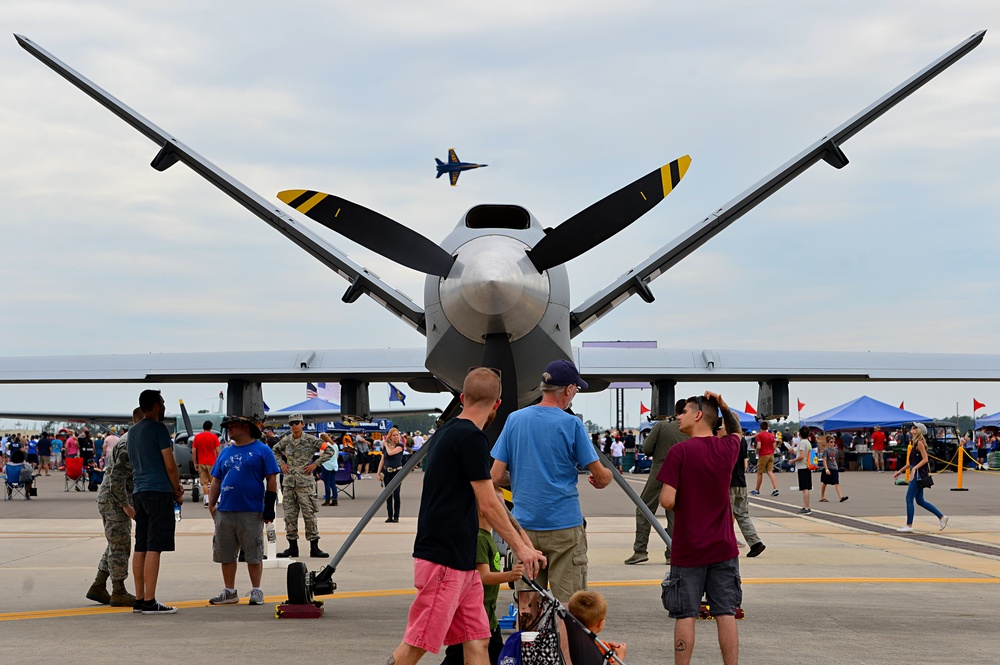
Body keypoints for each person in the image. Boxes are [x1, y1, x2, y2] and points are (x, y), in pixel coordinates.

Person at [388, 367, 545, 665]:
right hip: (445, 560)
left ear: (462, 397)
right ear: (498, 403)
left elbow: (494, 502)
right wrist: (521, 548)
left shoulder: (447, 432)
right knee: (416, 644)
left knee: (477, 640)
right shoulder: (470, 438)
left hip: (463, 562)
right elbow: (487, 503)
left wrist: (523, 541)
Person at [491, 359, 612, 602]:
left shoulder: (514, 420)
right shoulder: (572, 424)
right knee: (571, 605)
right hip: (564, 526)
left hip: (525, 528)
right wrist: (603, 479)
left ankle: (530, 641)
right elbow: (600, 474)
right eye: (576, 389)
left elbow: (495, 476)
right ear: (568, 390)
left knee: (528, 605)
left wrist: (521, 479)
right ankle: (568, 642)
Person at [659, 392, 741, 665]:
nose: (678, 416)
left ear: (697, 416)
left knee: (685, 613)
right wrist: (723, 406)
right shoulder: (727, 448)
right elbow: (737, 432)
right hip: (723, 547)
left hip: (689, 548)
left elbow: (667, 500)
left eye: (683, 411)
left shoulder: (679, 452)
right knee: (725, 612)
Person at [440, 491, 525, 665]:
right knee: (458, 657)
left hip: (488, 614)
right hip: (475, 617)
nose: (503, 512)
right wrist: (509, 575)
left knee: (496, 657)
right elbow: (483, 576)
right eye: (499, 507)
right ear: (482, 509)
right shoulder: (479, 538)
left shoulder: (488, 537)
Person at [207, 414, 280, 606]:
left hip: (251, 511)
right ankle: (229, 591)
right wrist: (212, 504)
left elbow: (271, 479)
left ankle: (257, 590)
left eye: (233, 426)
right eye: (228, 426)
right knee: (226, 553)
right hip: (225, 510)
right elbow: (216, 479)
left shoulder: (262, 450)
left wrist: (269, 507)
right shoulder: (225, 452)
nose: (229, 429)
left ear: (245, 427)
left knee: (253, 553)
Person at [127, 389, 184, 615]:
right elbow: (170, 464)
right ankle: (150, 600)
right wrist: (176, 489)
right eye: (162, 402)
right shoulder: (159, 429)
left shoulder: (132, 432)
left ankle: (139, 598)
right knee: (154, 547)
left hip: (139, 492)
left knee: (140, 545)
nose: (164, 406)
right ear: (156, 405)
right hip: (158, 491)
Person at [87, 407, 142, 608]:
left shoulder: (134, 439)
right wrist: (125, 505)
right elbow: (117, 480)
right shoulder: (130, 443)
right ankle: (118, 590)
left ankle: (99, 585)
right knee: (120, 544)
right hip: (115, 499)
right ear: (139, 420)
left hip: (115, 497)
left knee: (116, 542)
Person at [626, 399, 687, 565]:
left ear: (675, 411)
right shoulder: (691, 429)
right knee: (675, 514)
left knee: (644, 508)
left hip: (660, 469)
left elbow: (646, 448)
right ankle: (672, 552)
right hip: (683, 473)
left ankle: (640, 550)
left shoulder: (662, 425)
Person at [272, 414, 333, 558]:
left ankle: (314, 547)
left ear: (302, 424)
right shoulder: (286, 441)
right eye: (292, 423)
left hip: (305, 484)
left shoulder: (311, 440)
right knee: (290, 516)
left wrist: (315, 464)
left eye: (297, 423)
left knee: (309, 515)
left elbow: (330, 451)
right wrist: (282, 464)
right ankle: (292, 547)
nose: (294, 426)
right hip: (289, 483)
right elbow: (274, 450)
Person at [893, 422, 948, 533]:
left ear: (919, 431)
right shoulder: (914, 443)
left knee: (909, 498)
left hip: (918, 475)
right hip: (917, 472)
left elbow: (925, 459)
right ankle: (942, 517)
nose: (912, 428)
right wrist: (900, 471)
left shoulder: (919, 443)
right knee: (920, 500)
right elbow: (911, 462)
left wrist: (914, 469)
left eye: (914, 427)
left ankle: (909, 525)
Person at [726, 421, 765, 557]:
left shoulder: (726, 441)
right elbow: (744, 460)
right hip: (741, 481)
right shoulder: (741, 440)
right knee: (742, 514)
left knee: (724, 515)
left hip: (729, 482)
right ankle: (755, 542)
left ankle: (726, 543)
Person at [567, 590, 627, 662]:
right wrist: (621, 655)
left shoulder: (569, 639)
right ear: (600, 624)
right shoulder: (594, 650)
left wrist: (604, 647)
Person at [377, 427, 406, 522]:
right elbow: (383, 459)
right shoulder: (386, 447)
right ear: (390, 436)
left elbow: (390, 453)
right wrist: (378, 472)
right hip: (387, 471)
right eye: (394, 435)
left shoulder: (400, 446)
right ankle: (390, 515)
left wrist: (385, 444)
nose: (396, 437)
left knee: (396, 494)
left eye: (397, 435)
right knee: (388, 494)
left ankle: (396, 516)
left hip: (397, 471)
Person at [191, 420, 221, 508]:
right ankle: (218, 499)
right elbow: (218, 451)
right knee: (214, 482)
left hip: (201, 462)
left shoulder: (197, 437)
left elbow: (193, 451)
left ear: (203, 427)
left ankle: (207, 501)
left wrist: (195, 462)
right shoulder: (214, 437)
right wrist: (219, 461)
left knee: (204, 483)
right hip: (212, 462)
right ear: (211, 428)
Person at [750, 421, 779, 497]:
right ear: (767, 427)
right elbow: (774, 446)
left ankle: (757, 489)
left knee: (760, 472)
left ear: (760, 427)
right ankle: (775, 489)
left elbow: (759, 446)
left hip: (763, 454)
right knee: (770, 471)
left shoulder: (759, 435)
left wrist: (756, 451)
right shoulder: (771, 435)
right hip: (771, 454)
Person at [819, 437, 848, 503]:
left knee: (836, 483)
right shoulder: (826, 450)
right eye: (831, 442)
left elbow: (835, 459)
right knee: (825, 483)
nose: (832, 443)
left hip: (834, 468)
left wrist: (836, 466)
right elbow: (824, 460)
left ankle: (841, 497)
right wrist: (826, 469)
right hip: (828, 468)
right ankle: (822, 496)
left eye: (833, 442)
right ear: (828, 443)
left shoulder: (835, 450)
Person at [791, 426, 813, 515]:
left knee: (804, 488)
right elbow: (801, 454)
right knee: (806, 487)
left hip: (802, 466)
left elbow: (801, 456)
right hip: (808, 466)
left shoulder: (802, 443)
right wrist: (793, 452)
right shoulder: (808, 442)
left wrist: (793, 460)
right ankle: (806, 506)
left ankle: (806, 507)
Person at [318, 433, 340, 506]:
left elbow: (321, 455)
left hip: (326, 465)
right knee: (333, 483)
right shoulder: (335, 445)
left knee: (327, 483)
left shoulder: (324, 445)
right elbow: (337, 455)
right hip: (334, 465)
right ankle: (335, 499)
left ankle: (327, 500)